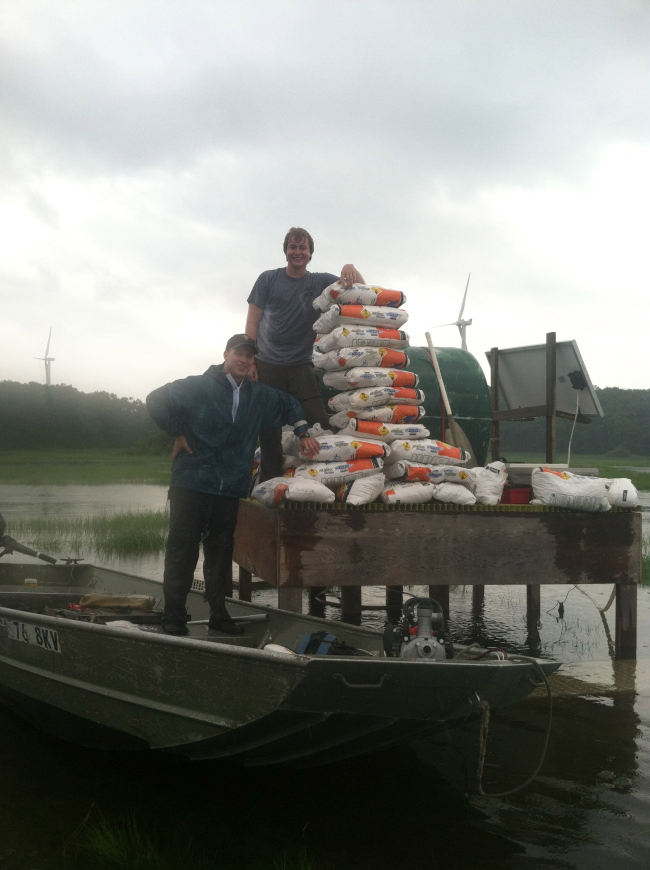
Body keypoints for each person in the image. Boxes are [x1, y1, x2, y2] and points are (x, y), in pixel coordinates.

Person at [146, 334, 320, 636]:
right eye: (239, 354)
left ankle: (218, 613)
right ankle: (173, 617)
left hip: (230, 489)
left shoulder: (257, 394)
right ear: (226, 354)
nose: (244, 360)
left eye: (250, 357)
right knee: (181, 551)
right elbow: (155, 399)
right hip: (192, 483)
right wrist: (176, 431)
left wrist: (304, 433)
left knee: (220, 553)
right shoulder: (197, 386)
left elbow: (289, 404)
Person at [245, 227, 364, 480]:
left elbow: (361, 290)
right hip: (267, 363)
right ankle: (270, 483)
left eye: (303, 248)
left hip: (300, 365)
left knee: (318, 421)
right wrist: (250, 360)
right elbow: (252, 322)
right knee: (268, 431)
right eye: (292, 247)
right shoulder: (268, 279)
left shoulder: (320, 282)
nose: (297, 252)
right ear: (285, 251)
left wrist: (351, 267)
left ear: (310, 253)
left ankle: (324, 478)